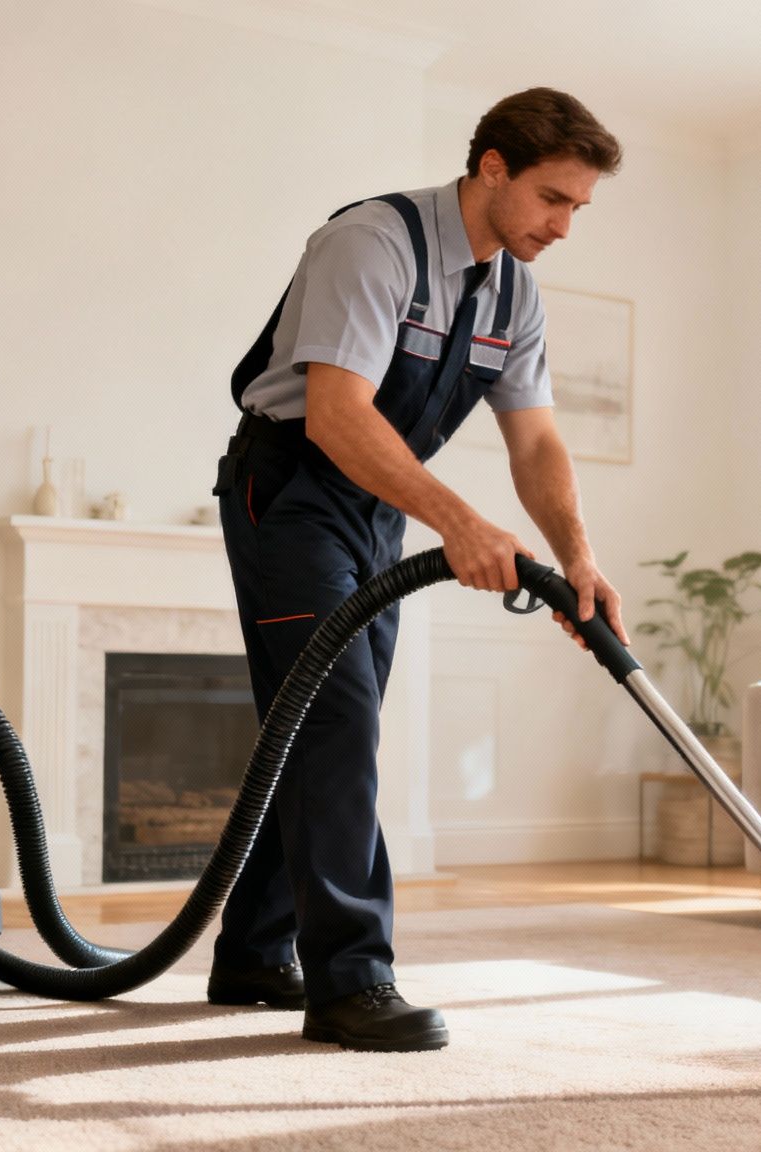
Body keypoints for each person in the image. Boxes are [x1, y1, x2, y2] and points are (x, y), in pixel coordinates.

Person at [207, 88, 629, 1053]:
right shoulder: (375, 242)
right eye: (554, 200)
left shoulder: (515, 290)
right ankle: (351, 979)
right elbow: (336, 416)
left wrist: (578, 558)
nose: (564, 226)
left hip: (374, 510)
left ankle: (252, 953)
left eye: (578, 209)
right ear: (492, 168)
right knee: (335, 719)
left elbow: (536, 442)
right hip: (295, 491)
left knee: (313, 727)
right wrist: (462, 525)